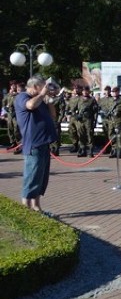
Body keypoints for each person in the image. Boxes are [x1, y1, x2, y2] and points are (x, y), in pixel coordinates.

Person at [14, 75, 59, 212]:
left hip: (44, 143)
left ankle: (36, 206)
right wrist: (42, 94)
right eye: (43, 85)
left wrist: (49, 99)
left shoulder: (41, 101)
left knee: (41, 178)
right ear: (34, 87)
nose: (45, 88)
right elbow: (30, 105)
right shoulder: (23, 97)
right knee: (32, 177)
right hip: (34, 144)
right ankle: (25, 208)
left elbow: (53, 115)